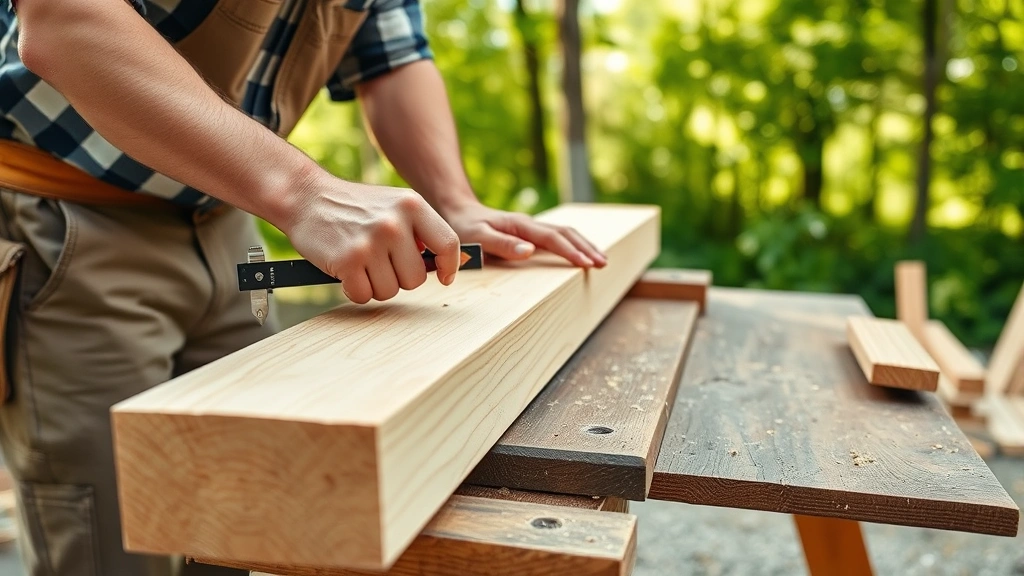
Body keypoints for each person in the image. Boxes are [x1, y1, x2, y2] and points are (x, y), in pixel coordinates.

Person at [0, 0, 608, 574]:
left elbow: (391, 57)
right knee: (109, 535)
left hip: (227, 217)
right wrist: (302, 193)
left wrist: (454, 203)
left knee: (246, 517)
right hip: (67, 216)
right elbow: (62, 21)